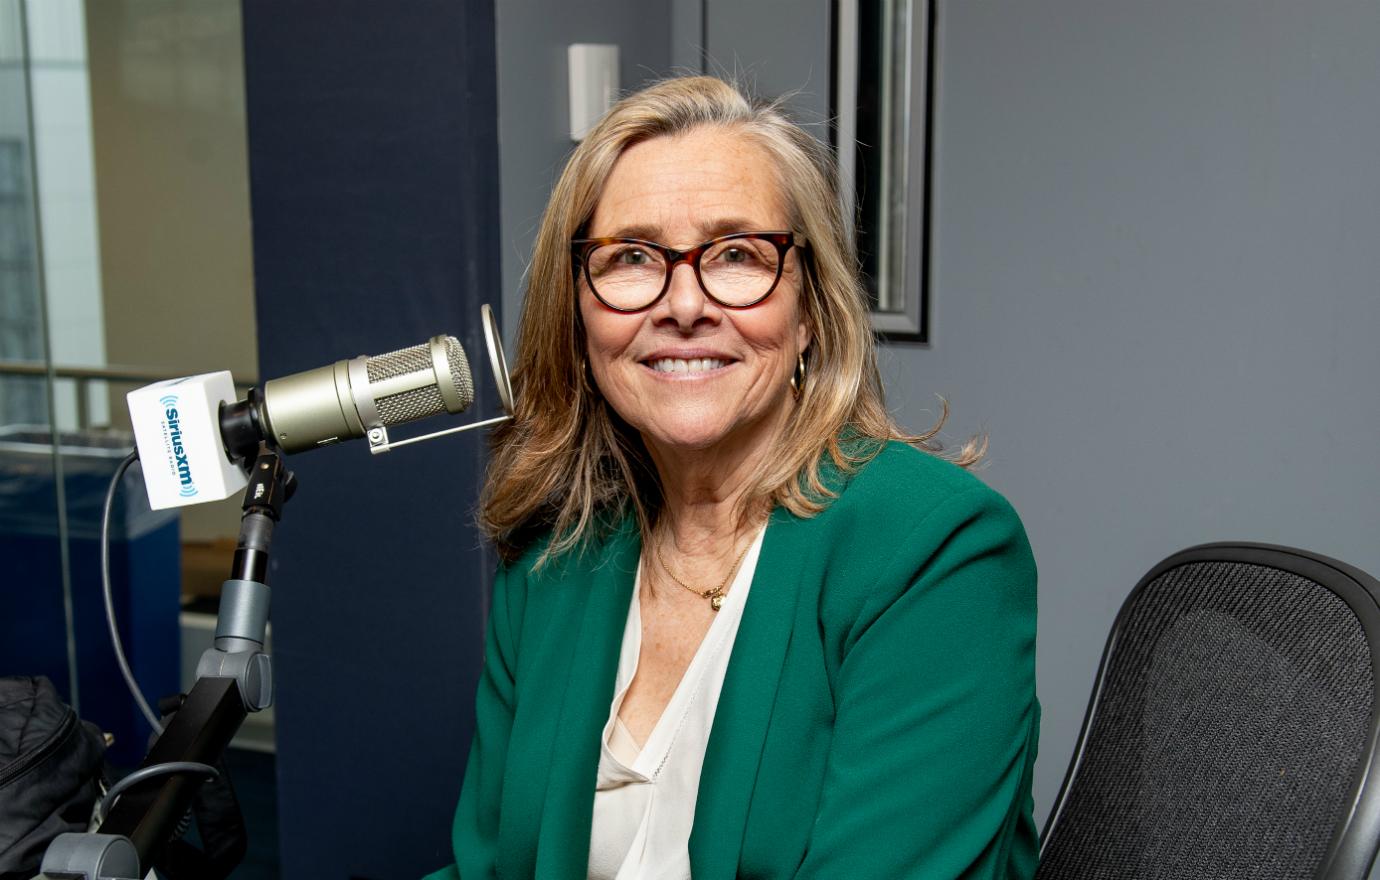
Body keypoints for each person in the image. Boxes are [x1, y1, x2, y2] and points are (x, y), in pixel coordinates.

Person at [424, 76, 1038, 879]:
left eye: (739, 255)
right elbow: (489, 869)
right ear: (577, 313)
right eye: (633, 257)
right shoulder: (554, 554)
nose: (684, 304)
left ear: (810, 308)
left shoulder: (937, 554)